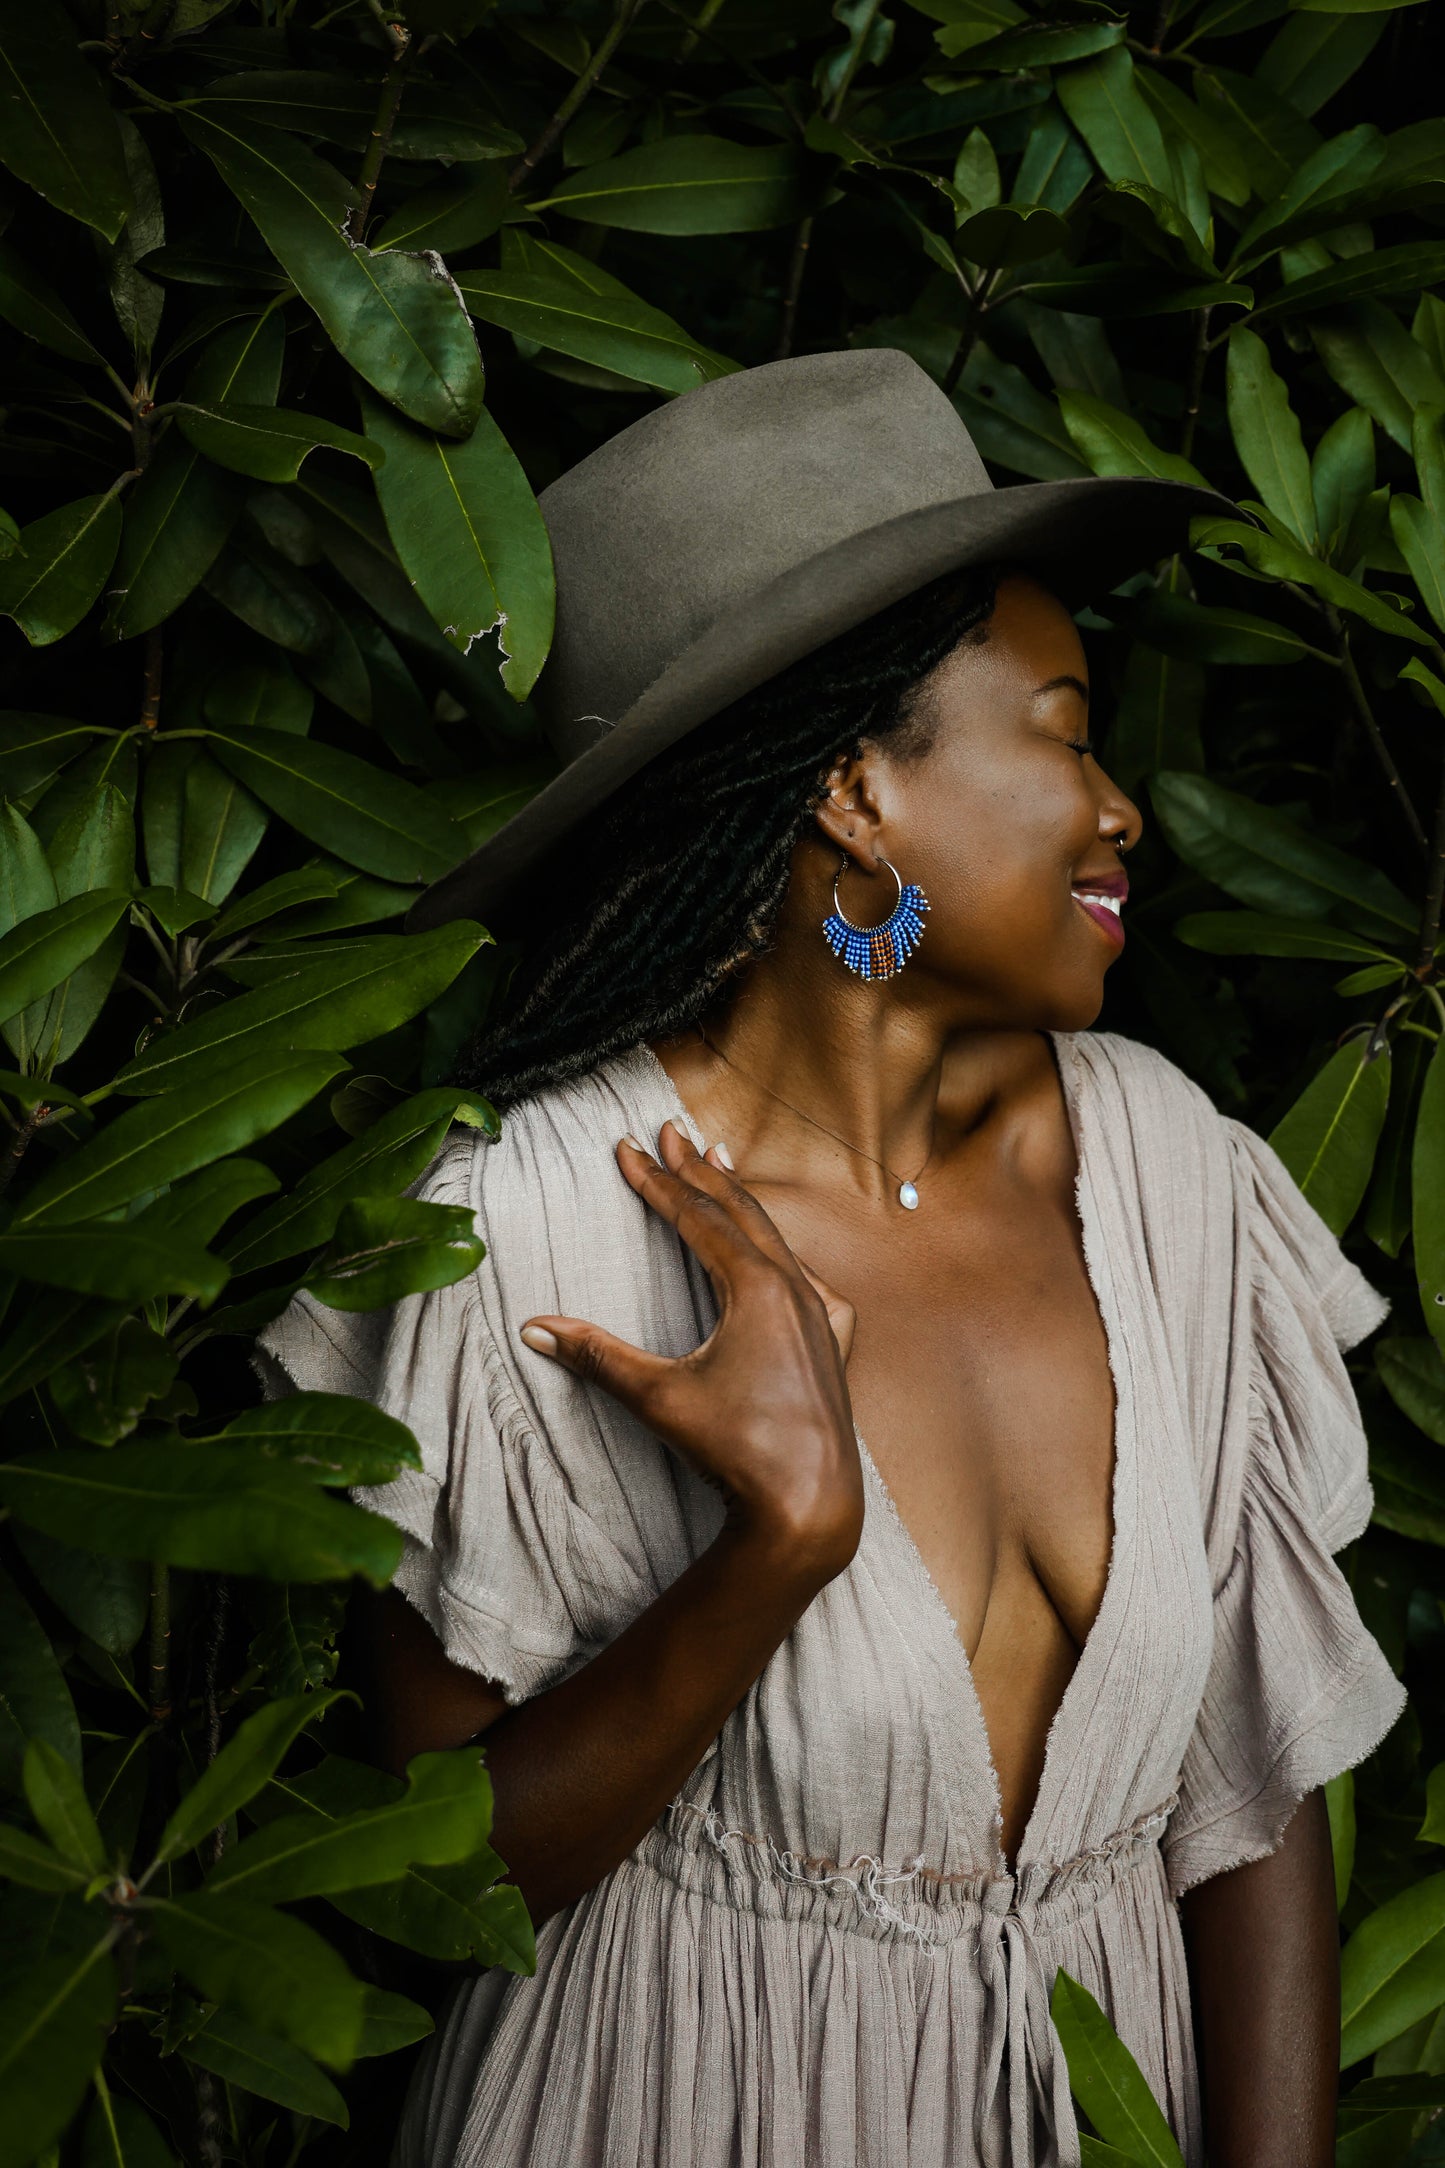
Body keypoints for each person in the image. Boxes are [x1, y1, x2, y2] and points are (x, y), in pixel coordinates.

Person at [257, 350, 1405, 2168]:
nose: (1120, 808)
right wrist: (775, 1552)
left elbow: (1249, 1795)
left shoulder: (1171, 1169)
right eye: (1062, 727)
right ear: (856, 797)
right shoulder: (522, 1232)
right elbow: (417, 1893)